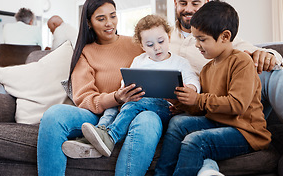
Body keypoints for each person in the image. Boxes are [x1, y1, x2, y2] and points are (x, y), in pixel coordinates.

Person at [166, 0, 283, 172]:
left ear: (205, 5)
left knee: (267, 71)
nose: (189, 9)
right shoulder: (161, 37)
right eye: (183, 3)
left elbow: (268, 58)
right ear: (175, 3)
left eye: (195, 3)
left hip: (231, 101)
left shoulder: (226, 45)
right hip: (198, 103)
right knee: (191, 135)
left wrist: (266, 55)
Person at [37, 0, 163, 176]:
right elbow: (84, 98)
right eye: (101, 19)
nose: (109, 23)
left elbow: (163, 65)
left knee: (149, 118)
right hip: (98, 116)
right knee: (53, 115)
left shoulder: (139, 44)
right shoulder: (85, 53)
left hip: (136, 113)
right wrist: (115, 97)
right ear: (89, 23)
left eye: (113, 15)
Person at [155, 0, 271, 176]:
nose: (197, 45)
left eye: (202, 39)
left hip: (245, 132)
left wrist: (198, 99)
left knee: (195, 141)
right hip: (217, 122)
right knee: (178, 123)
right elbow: (202, 109)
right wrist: (182, 102)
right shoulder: (207, 69)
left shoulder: (242, 62)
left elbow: (237, 105)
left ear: (225, 37)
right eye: (195, 38)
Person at [81, 15, 200, 157]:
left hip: (167, 109)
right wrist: (125, 90)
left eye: (161, 41)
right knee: (113, 105)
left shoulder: (180, 62)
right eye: (149, 45)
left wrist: (190, 88)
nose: (157, 47)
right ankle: (99, 132)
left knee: (133, 105)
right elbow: (127, 82)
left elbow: (193, 81)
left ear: (169, 36)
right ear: (142, 46)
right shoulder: (139, 60)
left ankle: (111, 136)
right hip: (138, 104)